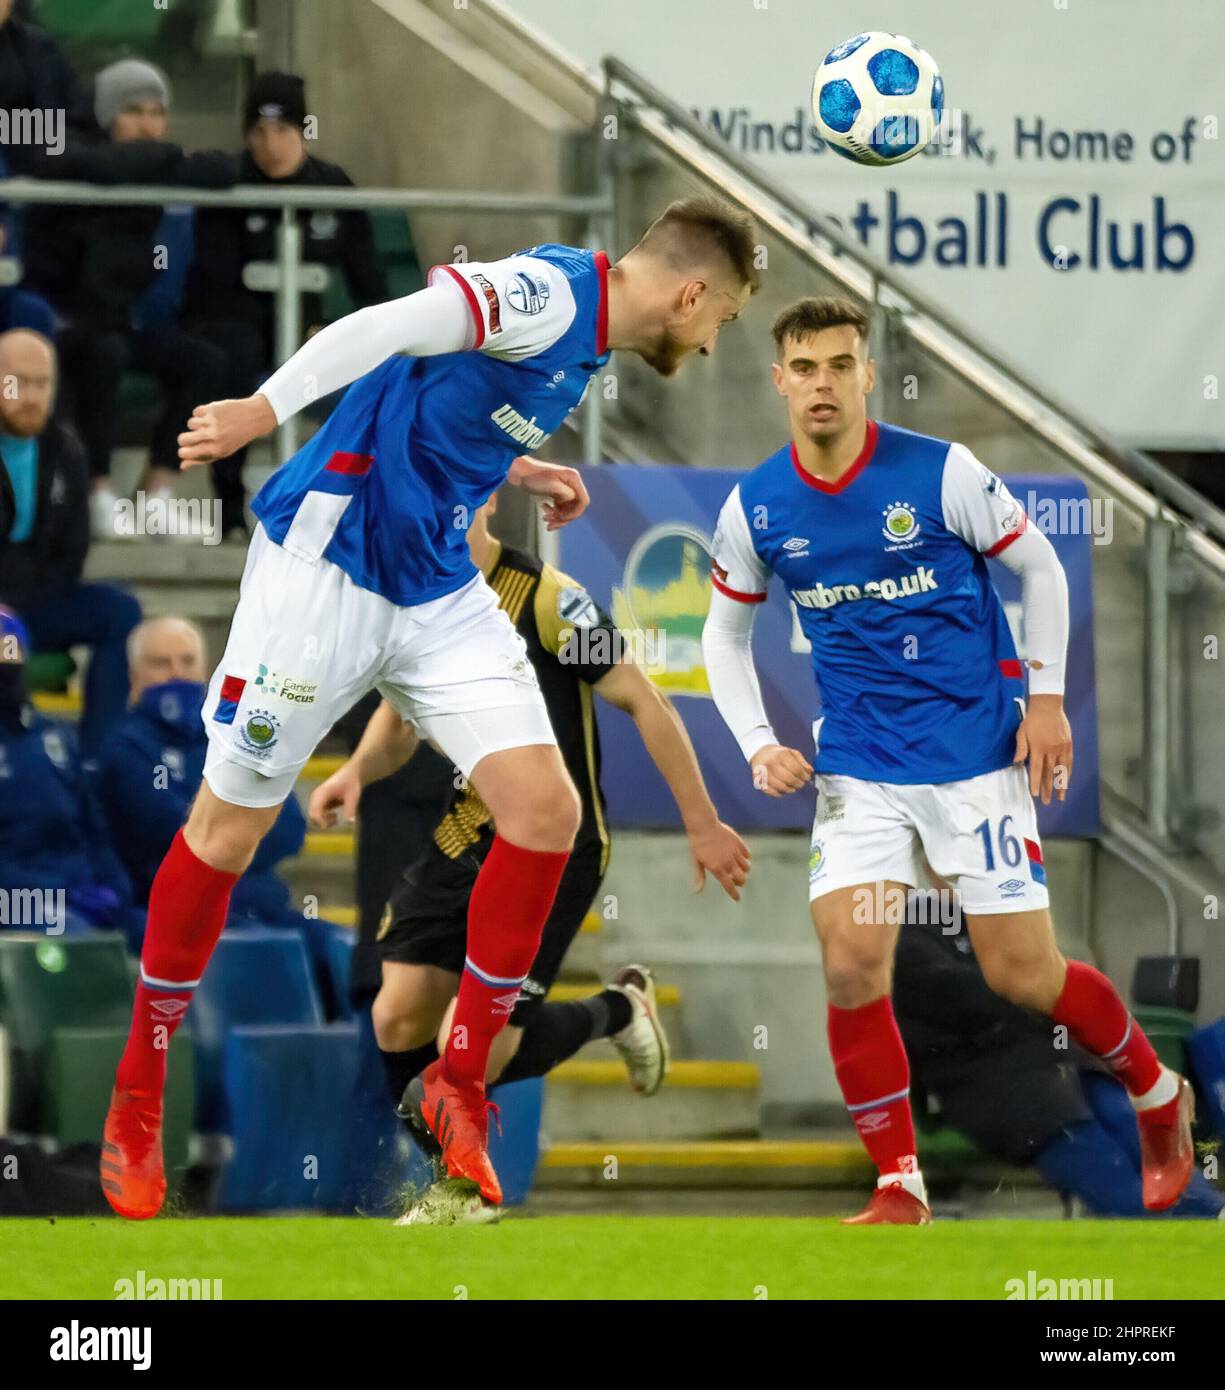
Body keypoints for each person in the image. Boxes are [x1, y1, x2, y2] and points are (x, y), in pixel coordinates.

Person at [99, 195, 759, 1222]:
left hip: (437, 585)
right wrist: (261, 413)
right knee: (225, 833)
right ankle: (138, 1095)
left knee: (546, 813)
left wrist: (510, 464)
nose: (714, 341)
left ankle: (459, 1082)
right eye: (721, 319)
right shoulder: (547, 294)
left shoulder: (585, 350)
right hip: (329, 572)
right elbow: (383, 329)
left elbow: (440, 394)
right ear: (689, 294)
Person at [701, 295, 1194, 1225]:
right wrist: (758, 744)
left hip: (975, 762)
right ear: (778, 381)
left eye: (840, 365)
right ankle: (899, 1182)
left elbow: (1041, 569)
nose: (821, 384)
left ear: (867, 374)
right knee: (851, 964)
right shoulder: (756, 506)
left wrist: (1044, 702)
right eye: (803, 368)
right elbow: (722, 637)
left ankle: (1154, 1091)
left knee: (1023, 977)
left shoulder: (939, 473)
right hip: (858, 772)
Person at [309, 497, 749, 1224]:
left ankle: (466, 1182)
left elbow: (645, 703)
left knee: (474, 1047)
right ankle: (472, 1158)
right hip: (465, 833)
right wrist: (356, 772)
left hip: (555, 842)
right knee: (393, 1019)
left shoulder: (548, 600)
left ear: (482, 498)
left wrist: (701, 823)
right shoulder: (417, 600)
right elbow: (397, 721)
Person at [21, 59, 235, 535]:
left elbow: (222, 169)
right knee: (104, 353)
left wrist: (164, 161)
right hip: (62, 322)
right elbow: (66, 162)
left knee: (205, 362)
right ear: (106, 114)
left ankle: (156, 492)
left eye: (157, 113)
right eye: (134, 111)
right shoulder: (71, 153)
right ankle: (95, 491)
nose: (147, 125)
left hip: (122, 321)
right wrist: (165, 160)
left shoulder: (157, 166)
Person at [893, 912, 1223, 1219]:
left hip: (1071, 1065)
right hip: (999, 1089)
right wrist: (1032, 990)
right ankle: (1174, 1235)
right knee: (1100, 1162)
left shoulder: (1002, 920)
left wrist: (1038, 992)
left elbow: (1052, 987)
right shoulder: (908, 933)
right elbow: (975, 993)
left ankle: (1213, 1216)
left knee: (1135, 1126)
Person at [181, 71, 390, 537]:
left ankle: (357, 514)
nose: (269, 144)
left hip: (310, 330)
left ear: (302, 131)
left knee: (384, 373)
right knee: (230, 360)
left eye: (281, 130)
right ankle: (230, 511)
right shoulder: (231, 187)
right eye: (258, 131)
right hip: (241, 327)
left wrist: (337, 331)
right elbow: (215, 284)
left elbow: (369, 282)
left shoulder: (331, 187)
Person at [0, 329, 141, 755]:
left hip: (38, 599)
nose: (31, 395)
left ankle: (97, 760)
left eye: (42, 383)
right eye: (18, 382)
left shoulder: (64, 450)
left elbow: (73, 551)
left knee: (119, 610)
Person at [0, 605, 133, 934]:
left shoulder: (56, 738)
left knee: (169, 933)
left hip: (73, 893)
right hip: (18, 901)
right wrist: (60, 896)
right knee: (70, 932)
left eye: (11, 660)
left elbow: (95, 831)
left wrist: (117, 891)